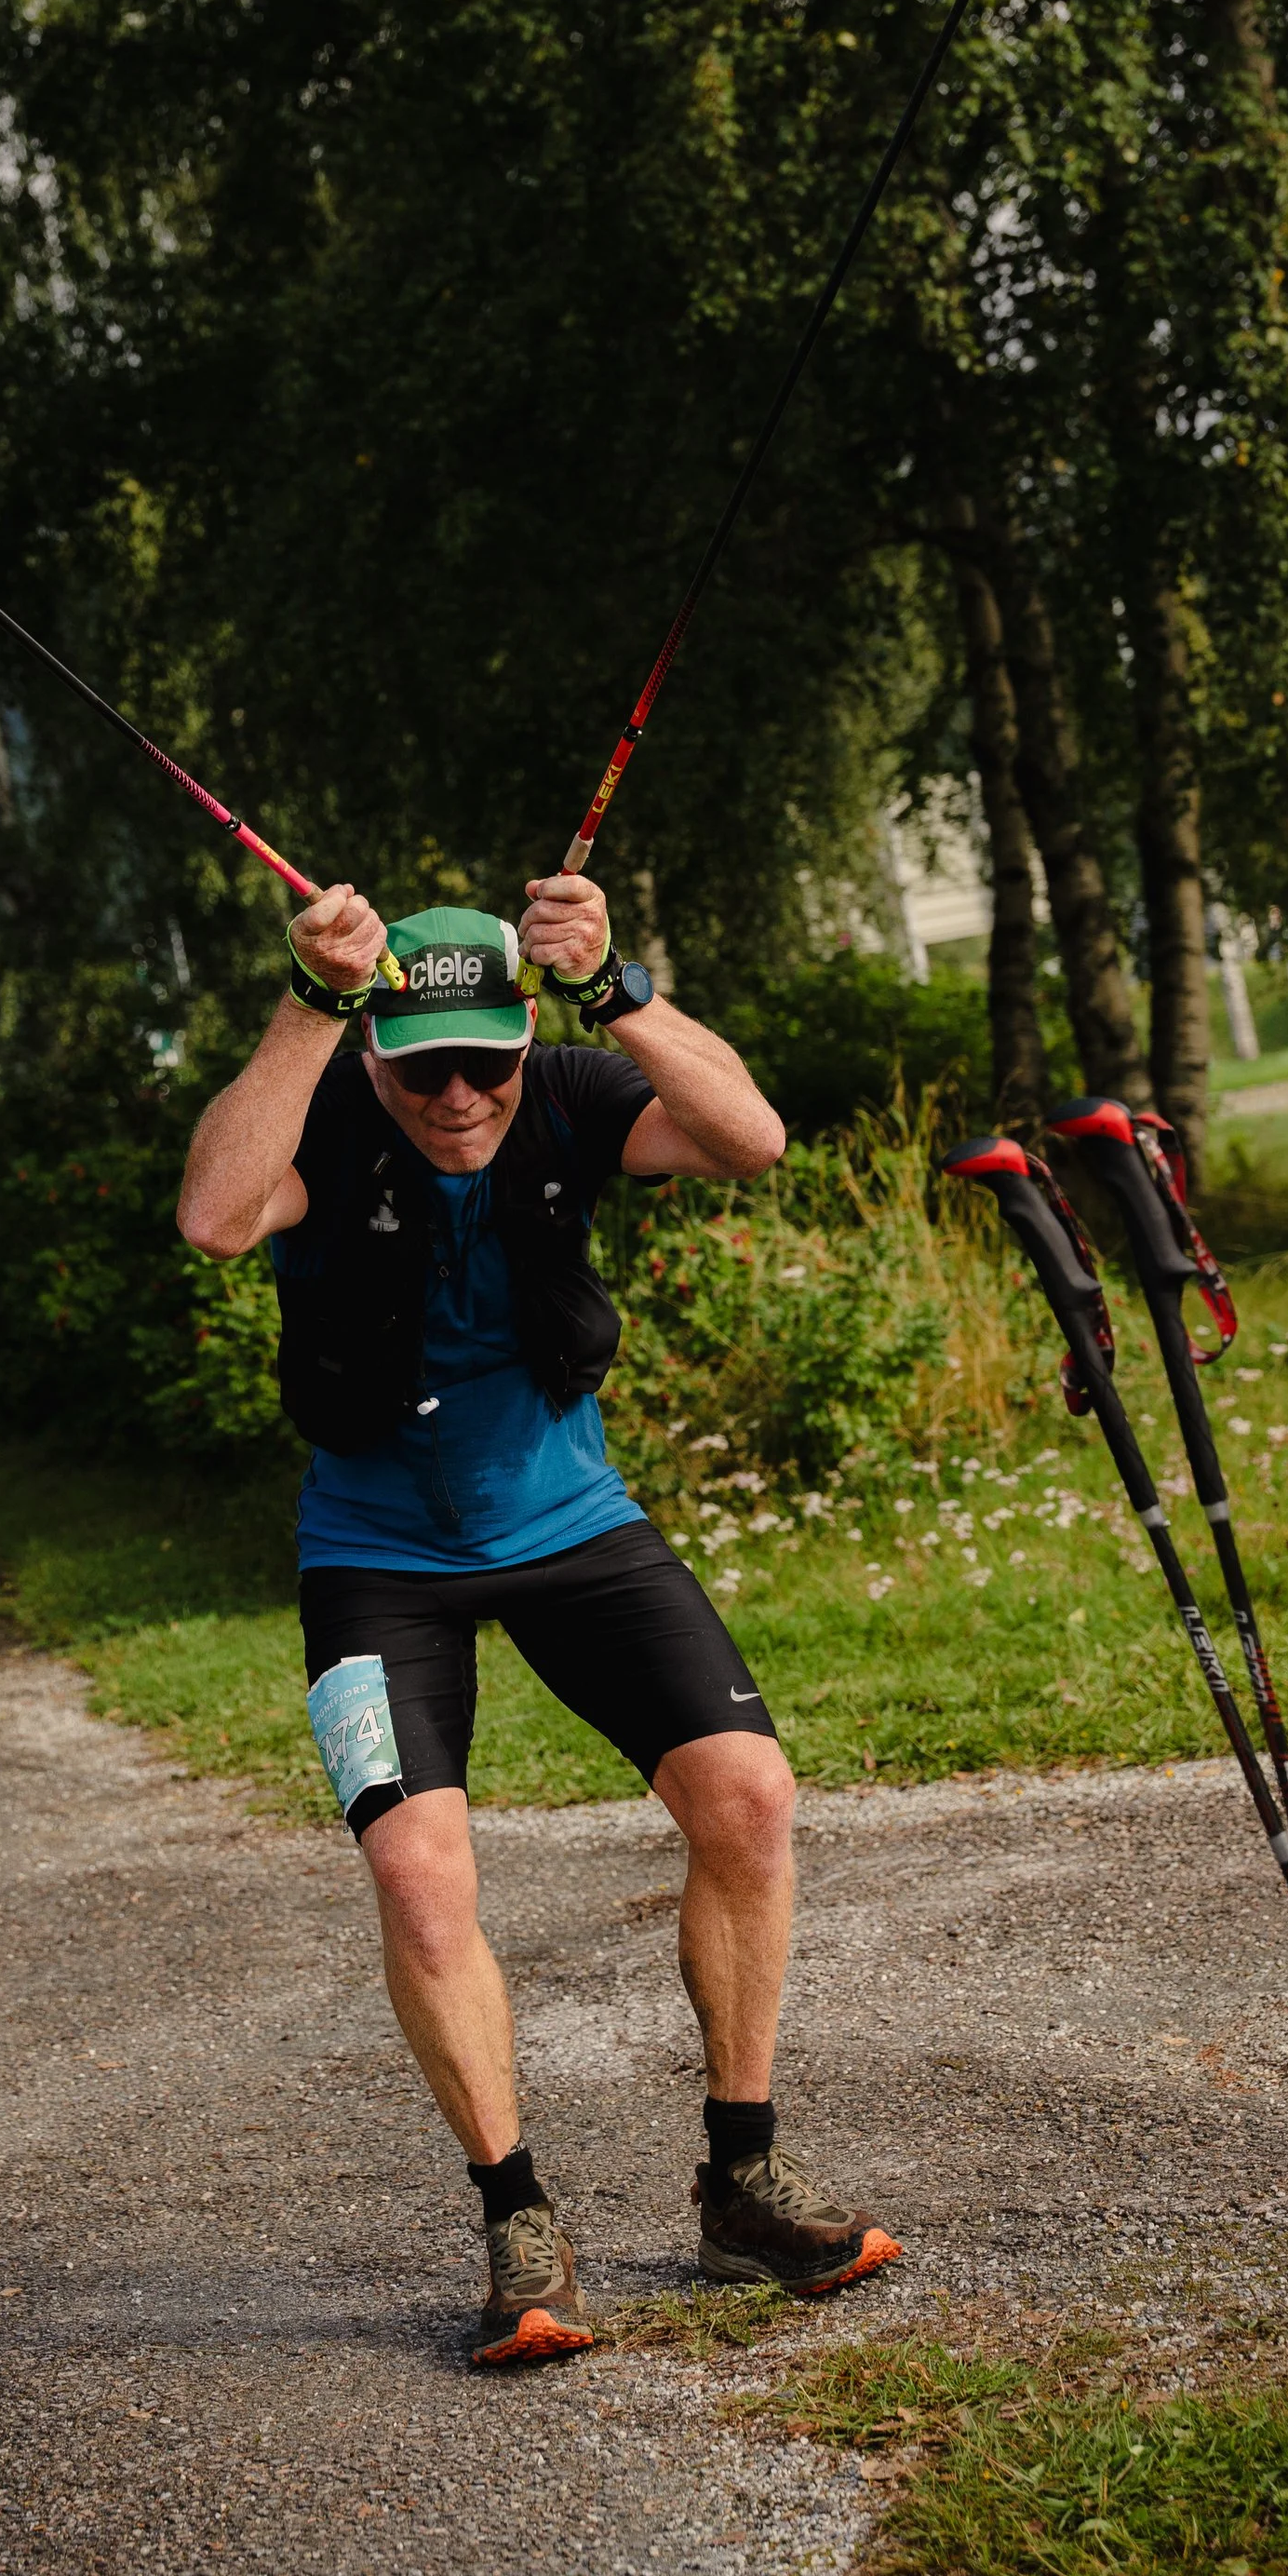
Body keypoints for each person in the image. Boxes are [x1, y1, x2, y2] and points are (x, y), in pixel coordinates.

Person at [178, 871, 899, 2366]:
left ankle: (745, 2180)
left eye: (486, 1062)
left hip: (575, 1528)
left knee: (748, 1799)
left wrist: (619, 986)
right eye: (424, 1065)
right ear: (377, 1049)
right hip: (377, 1557)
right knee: (423, 1880)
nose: (459, 1096)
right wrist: (310, 1007)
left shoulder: (571, 1093)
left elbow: (750, 1138)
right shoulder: (327, 1108)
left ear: (521, 1040)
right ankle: (518, 2217)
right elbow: (214, 1219)